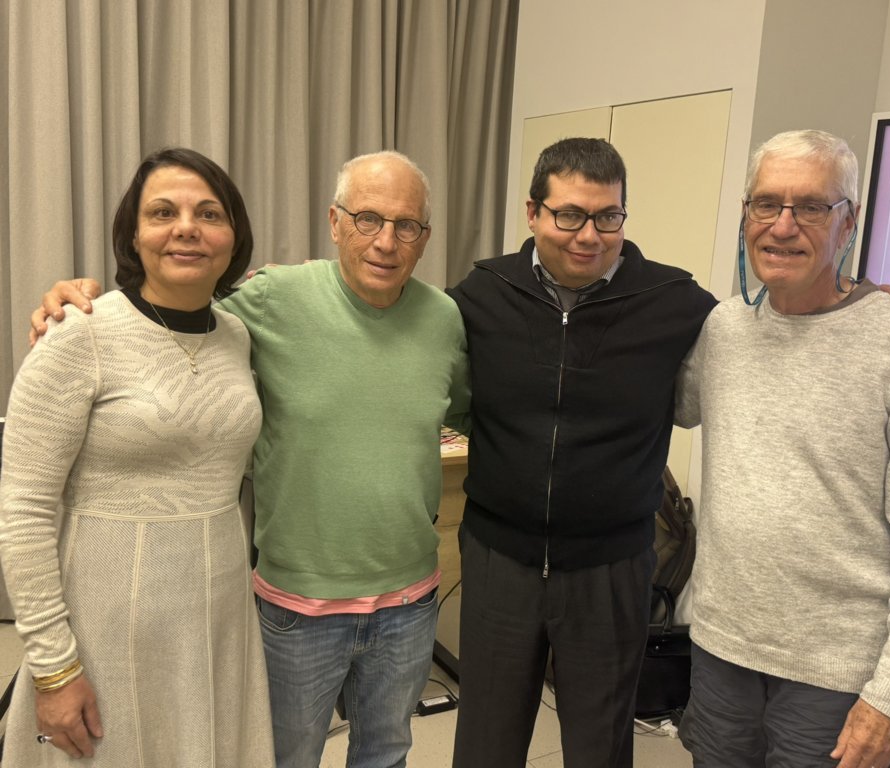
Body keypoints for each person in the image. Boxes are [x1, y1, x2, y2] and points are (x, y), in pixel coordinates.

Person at [28, 150, 472, 768]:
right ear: (335, 221)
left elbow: (466, 410)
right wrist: (83, 298)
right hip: (298, 607)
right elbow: (166, 314)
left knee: (387, 753)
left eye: (407, 225)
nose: (385, 241)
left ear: (425, 236)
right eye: (367, 219)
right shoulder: (271, 299)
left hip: (410, 601)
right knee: (282, 758)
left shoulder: (444, 318)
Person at [674, 129, 890, 768]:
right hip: (722, 650)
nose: (783, 226)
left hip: (836, 676)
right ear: (746, 214)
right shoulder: (725, 329)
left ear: (847, 223)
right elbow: (665, 402)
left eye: (810, 207)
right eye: (766, 204)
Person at [448, 137, 718, 768]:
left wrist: (852, 299)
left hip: (611, 569)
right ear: (532, 212)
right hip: (499, 559)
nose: (589, 236)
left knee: (600, 748)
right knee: (486, 743)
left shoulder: (675, 302)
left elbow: (770, 334)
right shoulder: (483, 292)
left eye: (608, 216)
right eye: (569, 214)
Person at [0, 148, 274, 766]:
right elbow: (23, 511)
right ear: (132, 234)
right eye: (163, 212)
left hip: (217, 616)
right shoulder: (79, 332)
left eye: (209, 213)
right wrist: (53, 667)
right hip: (103, 617)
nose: (186, 228)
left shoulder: (238, 336)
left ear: (234, 237)